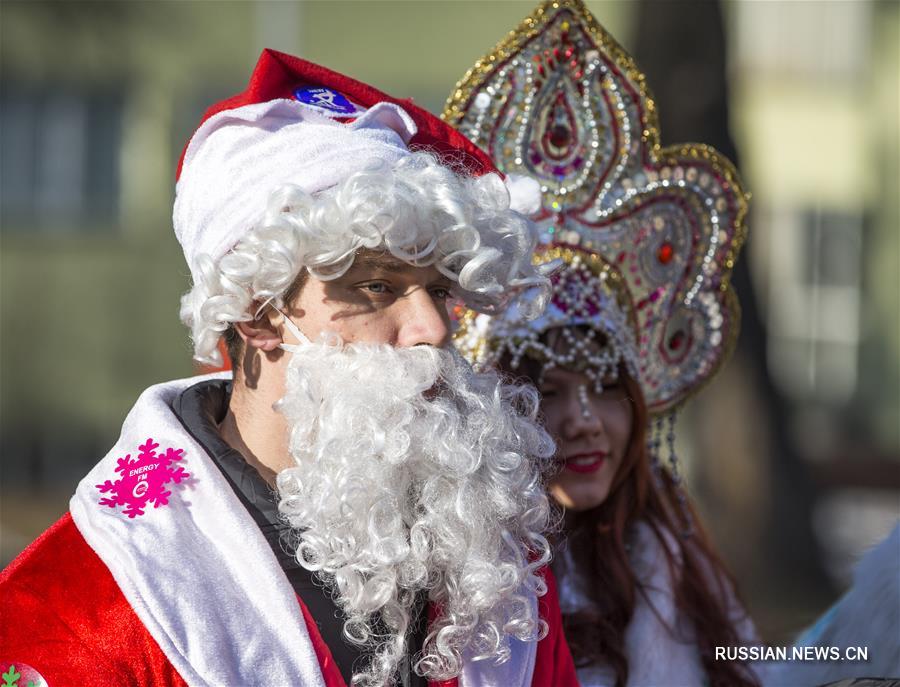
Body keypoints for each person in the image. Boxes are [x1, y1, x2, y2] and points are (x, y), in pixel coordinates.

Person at [0, 49, 579, 687]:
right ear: (256, 313)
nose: (435, 329)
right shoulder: (81, 605)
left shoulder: (492, 562)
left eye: (440, 291)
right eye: (380, 288)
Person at [447, 1, 762, 686]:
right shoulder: (460, 582)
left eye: (604, 387)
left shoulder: (680, 565)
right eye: (548, 392)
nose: (584, 417)